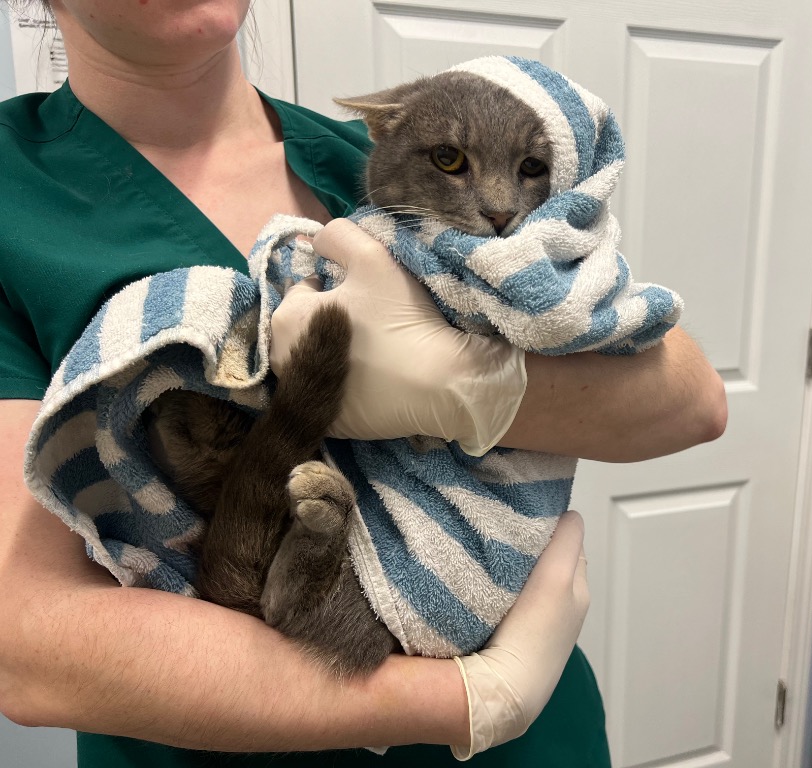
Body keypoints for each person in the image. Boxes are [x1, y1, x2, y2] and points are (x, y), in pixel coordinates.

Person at [0, 1, 728, 766]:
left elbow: (691, 401)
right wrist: (476, 699)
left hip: (534, 733)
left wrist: (465, 384)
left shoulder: (392, 151)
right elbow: (30, 647)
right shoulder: (17, 196)